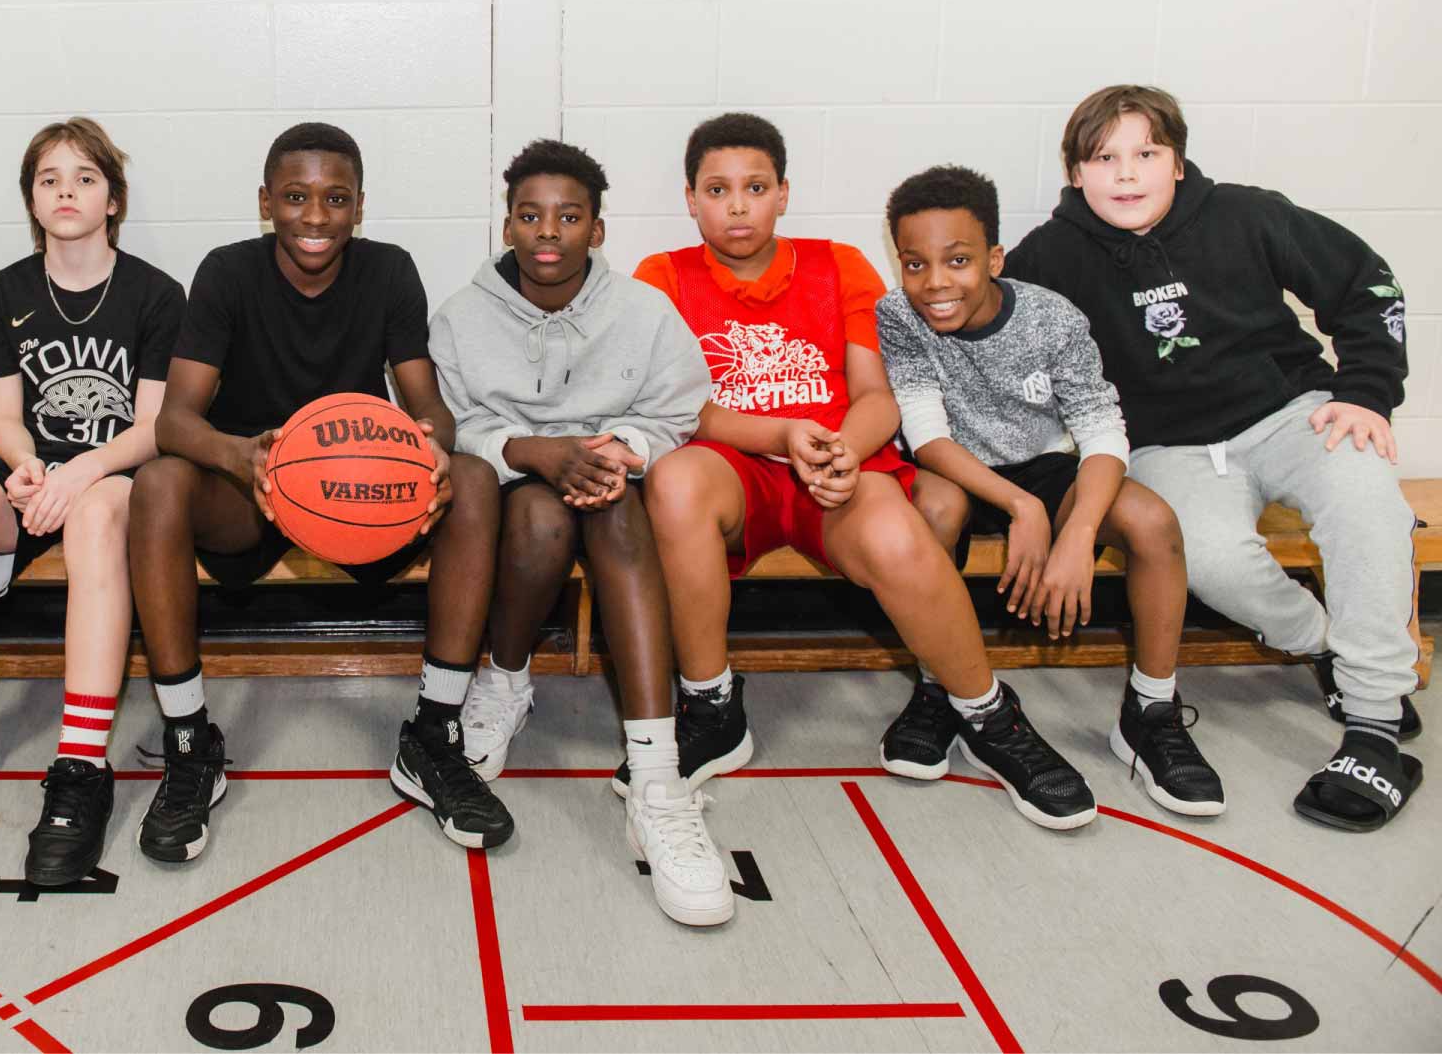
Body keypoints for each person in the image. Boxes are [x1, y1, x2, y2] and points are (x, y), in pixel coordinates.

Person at [638, 113, 1097, 831]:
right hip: (738, 463)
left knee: (895, 536)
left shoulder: (837, 263)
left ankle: (988, 713)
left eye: (754, 187)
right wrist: (784, 434)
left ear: (783, 193)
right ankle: (711, 704)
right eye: (717, 189)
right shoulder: (660, 276)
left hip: (837, 461)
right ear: (690, 199)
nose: (736, 205)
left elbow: (878, 395)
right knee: (673, 482)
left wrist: (845, 449)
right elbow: (677, 409)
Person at [1008, 84, 1422, 832]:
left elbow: (1370, 284)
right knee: (1212, 561)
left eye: (1146, 153)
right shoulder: (1049, 258)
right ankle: (1325, 644)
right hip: (1165, 447)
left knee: (1368, 502)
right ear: (1075, 172)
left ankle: (1374, 726)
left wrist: (1366, 390)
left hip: (1291, 412)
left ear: (1177, 161)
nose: (1127, 174)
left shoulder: (1247, 213)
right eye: (1105, 158)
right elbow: (996, 357)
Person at [125, 122, 511, 864]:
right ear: (266, 201)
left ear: (360, 206)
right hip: (252, 485)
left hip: (357, 492)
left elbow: (429, 405)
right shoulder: (227, 273)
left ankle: (434, 736)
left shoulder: (390, 271)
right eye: (296, 197)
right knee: (158, 485)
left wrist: (430, 448)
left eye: (335, 198)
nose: (315, 215)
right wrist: (242, 458)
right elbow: (174, 421)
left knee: (470, 478)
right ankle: (187, 742)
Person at [432, 138, 728, 924]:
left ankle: (658, 775)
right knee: (535, 518)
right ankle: (506, 678)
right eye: (530, 216)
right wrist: (532, 452)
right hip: (519, 479)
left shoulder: (643, 311)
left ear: (597, 229)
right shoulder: (462, 317)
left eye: (569, 216)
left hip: (609, 476)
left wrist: (622, 452)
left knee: (621, 517)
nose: (548, 233)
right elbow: (452, 427)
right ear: (507, 227)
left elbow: (679, 409)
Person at [0, 118, 185, 887]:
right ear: (31, 199)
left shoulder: (156, 293)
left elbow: (154, 428)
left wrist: (75, 476)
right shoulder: (2, 292)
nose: (66, 192)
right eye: (49, 179)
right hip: (33, 476)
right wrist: (23, 469)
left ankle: (80, 765)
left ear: (113, 199)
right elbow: (7, 421)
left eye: (84, 178)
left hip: (112, 476)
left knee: (93, 521)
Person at [877, 164, 1223, 817]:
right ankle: (940, 687)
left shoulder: (1050, 318)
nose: (936, 283)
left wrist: (1077, 533)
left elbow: (1101, 432)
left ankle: (1151, 711)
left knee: (1152, 523)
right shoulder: (898, 314)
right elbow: (926, 438)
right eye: (915, 264)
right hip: (956, 466)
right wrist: (1021, 508)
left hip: (1044, 461)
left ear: (995, 258)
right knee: (932, 505)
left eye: (957, 260)